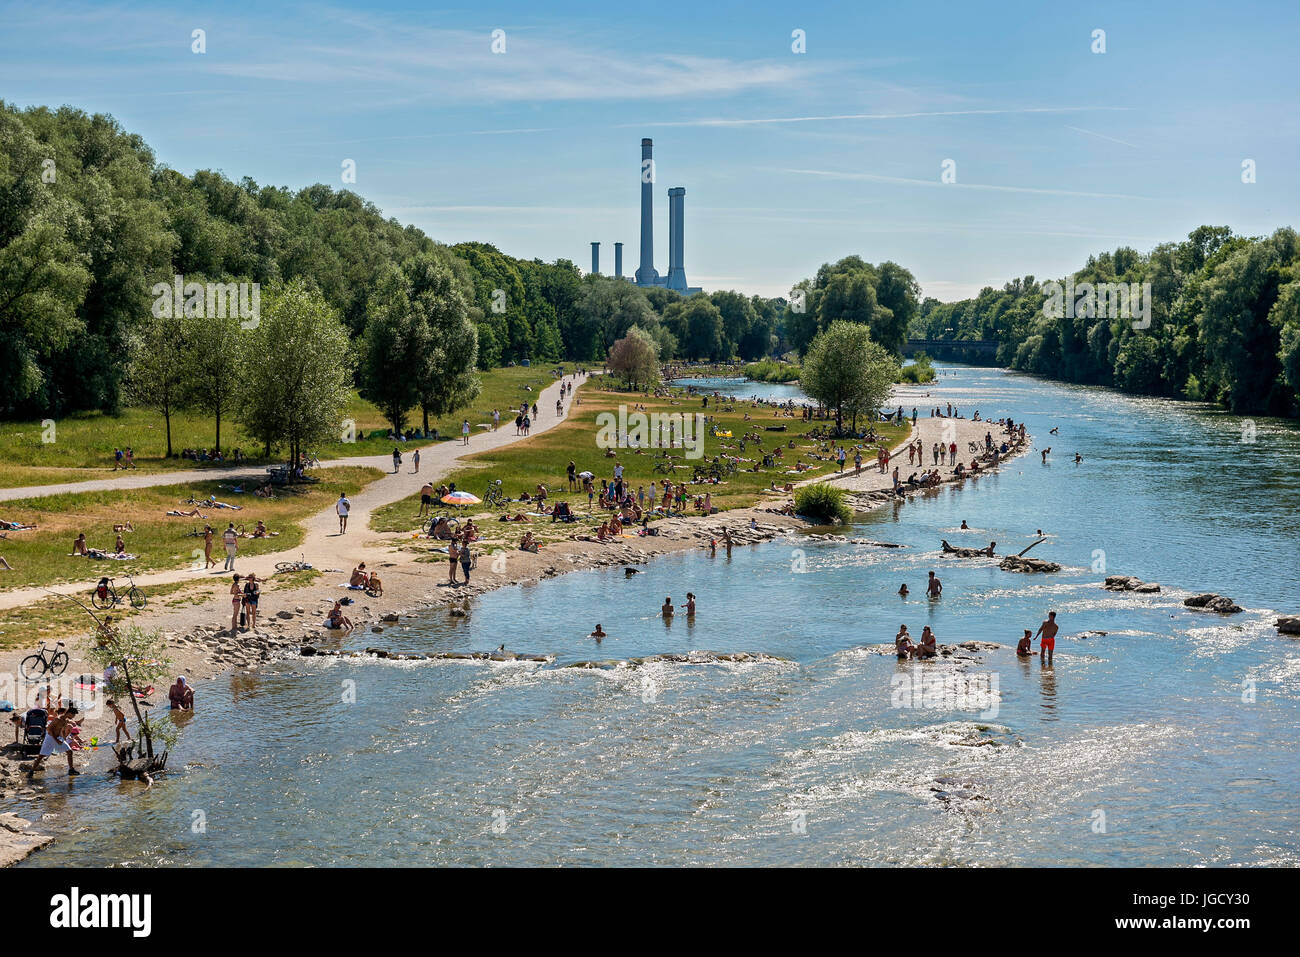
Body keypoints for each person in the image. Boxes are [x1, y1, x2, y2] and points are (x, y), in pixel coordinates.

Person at [29, 706, 79, 776]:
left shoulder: (65, 720)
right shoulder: (57, 719)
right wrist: (57, 740)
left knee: (69, 751)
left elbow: (61, 730)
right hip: (50, 738)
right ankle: (31, 771)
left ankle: (71, 770)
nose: (73, 717)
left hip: (58, 738)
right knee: (41, 756)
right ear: (69, 713)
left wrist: (63, 738)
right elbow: (49, 729)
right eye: (73, 715)